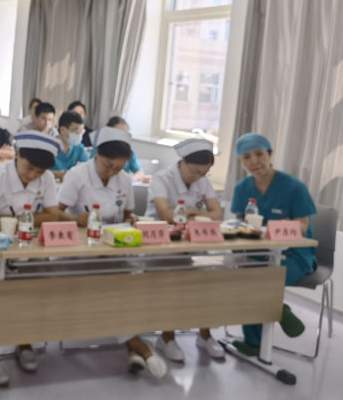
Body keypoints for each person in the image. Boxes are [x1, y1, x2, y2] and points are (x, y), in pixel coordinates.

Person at [58, 127, 166, 377]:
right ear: (96, 154)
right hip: (80, 253)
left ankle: (133, 346)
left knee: (131, 287)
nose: (112, 172)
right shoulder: (77, 175)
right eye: (108, 165)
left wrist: (132, 218)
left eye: (118, 168)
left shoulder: (124, 179)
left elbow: (127, 213)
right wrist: (76, 219)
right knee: (106, 288)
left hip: (114, 250)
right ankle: (139, 347)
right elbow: (55, 212)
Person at [0, 132, 60, 385]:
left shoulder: (46, 179)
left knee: (32, 294)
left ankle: (24, 343)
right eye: (29, 168)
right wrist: (6, 226)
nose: (32, 175)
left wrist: (22, 223)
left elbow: (52, 215)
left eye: (39, 172)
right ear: (17, 155)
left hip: (30, 250)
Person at [229, 133, 316, 357]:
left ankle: (257, 337)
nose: (254, 161)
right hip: (256, 253)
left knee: (256, 281)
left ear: (270, 155)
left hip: (294, 255)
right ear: (241, 161)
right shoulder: (242, 188)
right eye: (247, 157)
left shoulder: (294, 187)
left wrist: (287, 226)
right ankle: (275, 312)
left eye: (259, 154)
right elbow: (239, 223)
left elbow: (303, 226)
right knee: (243, 277)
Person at [144, 139, 225, 361]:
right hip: (160, 247)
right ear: (182, 162)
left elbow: (218, 214)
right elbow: (166, 214)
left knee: (208, 280)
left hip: (192, 245)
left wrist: (186, 213)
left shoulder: (201, 181)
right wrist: (195, 214)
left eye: (203, 173)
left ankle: (205, 335)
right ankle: (167, 338)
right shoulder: (163, 178)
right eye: (194, 171)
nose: (197, 177)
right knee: (172, 283)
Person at [91, 117, 145, 181]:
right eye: (119, 133)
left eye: (125, 134)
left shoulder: (129, 152)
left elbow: (140, 172)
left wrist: (132, 179)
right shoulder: (100, 150)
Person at [50, 111, 89, 181]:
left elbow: (87, 170)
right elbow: (39, 172)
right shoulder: (48, 147)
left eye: (81, 132)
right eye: (76, 131)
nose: (79, 135)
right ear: (62, 130)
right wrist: (58, 174)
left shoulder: (79, 148)